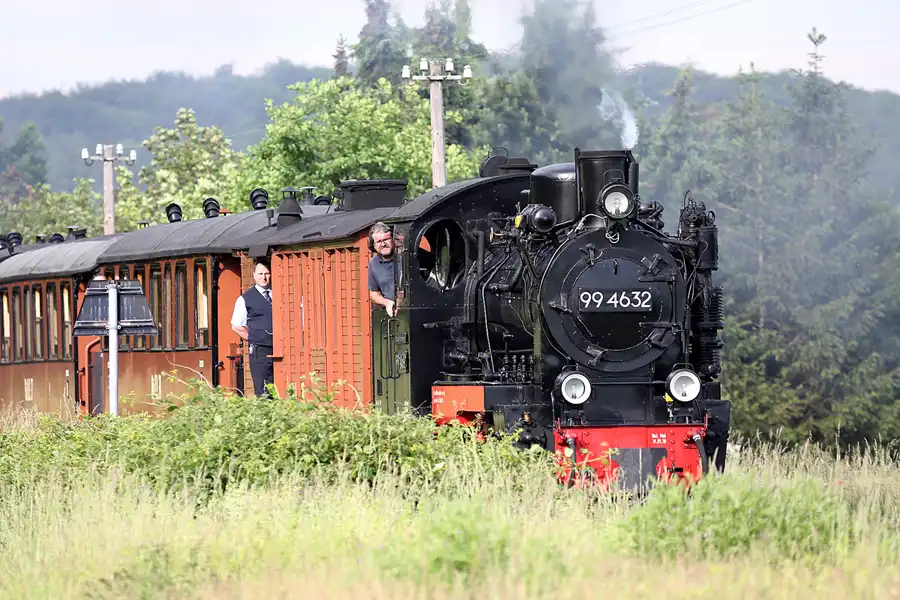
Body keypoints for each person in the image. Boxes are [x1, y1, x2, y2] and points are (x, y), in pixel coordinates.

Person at [231, 259, 275, 397]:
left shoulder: (277, 294)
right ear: (254, 275)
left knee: (277, 387)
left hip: (279, 347)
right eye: (260, 274)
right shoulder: (245, 299)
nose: (264, 277)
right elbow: (236, 326)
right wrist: (254, 338)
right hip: (259, 350)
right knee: (263, 389)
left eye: (267, 273)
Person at [367, 222, 397, 316]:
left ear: (393, 240)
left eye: (386, 239)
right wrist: (387, 303)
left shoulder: (410, 255)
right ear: (374, 245)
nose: (383, 244)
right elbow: (374, 293)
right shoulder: (373, 263)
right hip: (391, 314)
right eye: (379, 241)